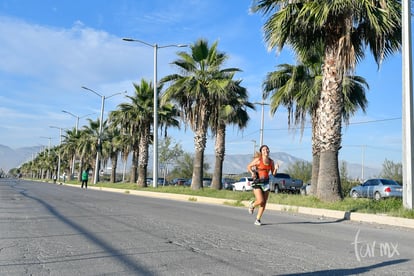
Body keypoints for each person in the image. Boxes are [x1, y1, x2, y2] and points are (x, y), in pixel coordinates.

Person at [246, 144, 279, 226]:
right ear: (261, 152)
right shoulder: (258, 160)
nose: (266, 150)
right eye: (264, 149)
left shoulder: (271, 162)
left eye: (267, 149)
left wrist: (276, 169)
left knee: (264, 203)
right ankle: (252, 205)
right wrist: (252, 172)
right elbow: (249, 166)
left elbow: (273, 174)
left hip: (266, 183)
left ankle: (258, 219)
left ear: (269, 151)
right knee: (261, 200)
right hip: (257, 182)